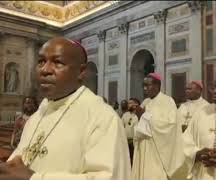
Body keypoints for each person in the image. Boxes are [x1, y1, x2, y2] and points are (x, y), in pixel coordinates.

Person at [1, 37, 131, 180]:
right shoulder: (37, 116)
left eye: (57, 62)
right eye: (41, 61)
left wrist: (35, 178)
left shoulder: (102, 118)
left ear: (81, 72)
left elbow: (108, 177)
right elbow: (17, 164)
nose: (45, 70)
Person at [131, 72, 184, 180]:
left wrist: (144, 117)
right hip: (143, 147)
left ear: (157, 86)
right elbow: (139, 126)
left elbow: (170, 125)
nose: (145, 89)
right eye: (143, 86)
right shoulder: (145, 102)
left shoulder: (167, 101)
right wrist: (140, 119)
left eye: (148, 85)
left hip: (158, 151)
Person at [122, 98, 140, 164]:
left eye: (130, 103)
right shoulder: (125, 115)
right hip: (126, 140)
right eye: (128, 103)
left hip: (134, 141)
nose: (128, 105)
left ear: (135, 104)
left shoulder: (138, 116)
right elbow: (121, 126)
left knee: (134, 159)